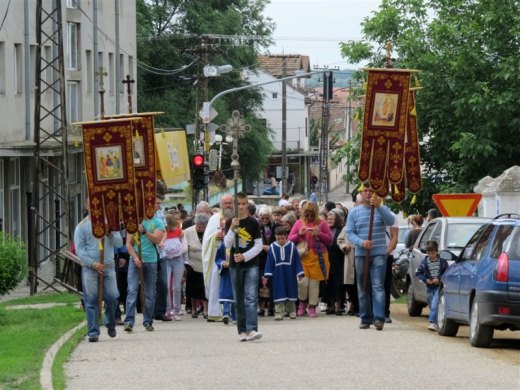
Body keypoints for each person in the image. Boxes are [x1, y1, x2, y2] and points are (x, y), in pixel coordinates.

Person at [346, 183, 395, 331]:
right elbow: (349, 233)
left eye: (371, 190)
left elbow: (390, 222)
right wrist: (361, 243)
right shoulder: (354, 212)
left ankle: (379, 317)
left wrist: (379, 207)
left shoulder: (381, 209)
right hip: (361, 254)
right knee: (363, 286)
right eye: (365, 190)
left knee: (378, 286)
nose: (368, 193)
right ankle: (365, 317)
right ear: (361, 193)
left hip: (379, 252)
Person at [74, 202, 123, 342]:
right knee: (91, 299)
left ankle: (110, 322)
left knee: (113, 296)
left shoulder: (109, 223)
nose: (96, 207)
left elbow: (119, 243)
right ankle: (93, 332)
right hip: (90, 268)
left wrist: (111, 233)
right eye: (92, 204)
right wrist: (93, 264)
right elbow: (80, 250)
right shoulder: (81, 226)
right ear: (87, 207)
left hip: (108, 266)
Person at [224, 192, 263, 341]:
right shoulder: (230, 222)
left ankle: (252, 328)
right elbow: (227, 244)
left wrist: (245, 256)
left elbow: (258, 246)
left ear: (247, 204)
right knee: (238, 297)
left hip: (251, 264)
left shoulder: (253, 223)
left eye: (244, 203)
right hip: (235, 266)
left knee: (251, 297)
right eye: (238, 204)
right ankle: (242, 330)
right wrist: (232, 228)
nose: (241, 207)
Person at [124, 196, 165, 332]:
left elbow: (157, 240)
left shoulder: (158, 222)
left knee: (149, 292)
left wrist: (145, 231)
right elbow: (129, 244)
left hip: (151, 260)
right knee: (132, 289)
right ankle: (129, 321)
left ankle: (148, 320)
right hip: (136, 260)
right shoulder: (134, 222)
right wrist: (135, 257)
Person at [288, 201, 333, 318]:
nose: (309, 217)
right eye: (307, 215)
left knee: (314, 283)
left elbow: (329, 239)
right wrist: (299, 234)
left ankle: (312, 306)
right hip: (303, 256)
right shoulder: (298, 223)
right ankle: (302, 303)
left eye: (311, 215)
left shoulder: (322, 223)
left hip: (318, 256)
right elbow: (290, 239)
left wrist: (319, 234)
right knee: (302, 282)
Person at [202, 194, 234, 321]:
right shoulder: (214, 219)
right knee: (216, 283)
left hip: (233, 254)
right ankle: (216, 312)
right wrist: (215, 237)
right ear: (221, 204)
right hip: (217, 255)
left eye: (230, 203)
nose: (228, 205)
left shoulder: (236, 218)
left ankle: (232, 312)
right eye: (225, 203)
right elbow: (206, 240)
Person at [264, 226, 304, 320]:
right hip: (277, 274)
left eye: (282, 238)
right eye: (278, 238)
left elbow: (297, 260)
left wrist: (299, 272)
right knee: (279, 292)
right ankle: (279, 312)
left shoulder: (292, 246)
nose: (281, 240)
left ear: (286, 236)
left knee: (291, 290)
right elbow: (269, 262)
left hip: (290, 273)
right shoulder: (273, 247)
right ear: (275, 237)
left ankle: (292, 311)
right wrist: (267, 275)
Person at [415, 240, 448, 331]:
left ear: (437, 252)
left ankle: (432, 322)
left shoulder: (443, 262)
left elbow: (447, 273)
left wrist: (439, 279)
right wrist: (426, 280)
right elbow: (418, 273)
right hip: (429, 288)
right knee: (431, 305)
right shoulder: (424, 262)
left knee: (434, 304)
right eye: (429, 253)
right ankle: (437, 321)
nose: (430, 255)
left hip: (439, 288)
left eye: (433, 253)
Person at [159, 213, 186, 320]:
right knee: (170, 286)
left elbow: (181, 241)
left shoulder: (179, 231)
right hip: (168, 260)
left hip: (177, 259)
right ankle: (169, 309)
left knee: (176, 286)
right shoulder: (163, 232)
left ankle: (175, 310)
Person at [184, 214, 209, 319]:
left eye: (203, 226)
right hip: (192, 264)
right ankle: (194, 309)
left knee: (205, 288)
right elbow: (185, 248)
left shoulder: (209, 231)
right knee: (192, 288)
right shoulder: (187, 232)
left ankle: (206, 310)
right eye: (199, 226)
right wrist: (186, 263)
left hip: (206, 263)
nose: (201, 228)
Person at [324, 209, 346, 315]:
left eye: (332, 219)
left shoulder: (341, 229)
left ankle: (338, 306)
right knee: (329, 283)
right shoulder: (324, 230)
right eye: (328, 218)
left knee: (338, 283)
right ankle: (331, 305)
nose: (329, 220)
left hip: (338, 260)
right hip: (327, 260)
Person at [257, 205, 276, 317]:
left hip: (272, 257)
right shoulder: (256, 226)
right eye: (262, 218)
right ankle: (261, 307)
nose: (264, 220)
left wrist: (271, 247)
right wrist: (262, 246)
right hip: (259, 258)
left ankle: (271, 306)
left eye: (266, 218)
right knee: (259, 283)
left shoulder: (275, 226)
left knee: (272, 282)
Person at [215, 242, 235, 325]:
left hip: (238, 272)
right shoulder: (224, 245)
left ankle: (235, 316)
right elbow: (218, 258)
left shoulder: (242, 243)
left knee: (236, 296)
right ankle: (226, 314)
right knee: (227, 294)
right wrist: (223, 263)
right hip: (227, 273)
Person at [384, 214, 399, 323]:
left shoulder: (391, 216)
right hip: (370, 254)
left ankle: (385, 313)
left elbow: (395, 237)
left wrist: (388, 251)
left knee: (385, 284)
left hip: (386, 255)